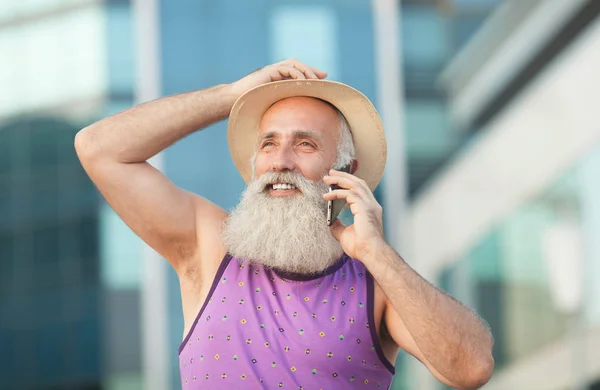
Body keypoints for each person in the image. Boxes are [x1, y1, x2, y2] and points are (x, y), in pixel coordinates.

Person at [75, 59, 494, 389]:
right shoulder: (211, 248)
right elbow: (98, 148)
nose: (280, 161)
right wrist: (233, 95)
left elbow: (471, 368)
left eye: (305, 144)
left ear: (346, 170)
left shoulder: (377, 284)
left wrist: (376, 253)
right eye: (268, 143)